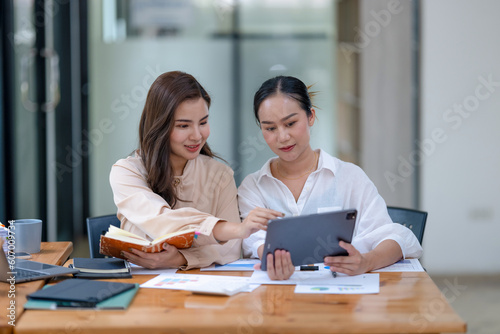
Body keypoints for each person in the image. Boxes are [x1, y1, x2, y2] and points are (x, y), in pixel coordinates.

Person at [238, 75, 423, 280]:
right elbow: (253, 241)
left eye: (290, 123)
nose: (282, 137)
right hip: (277, 298)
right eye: (270, 128)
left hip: (342, 301)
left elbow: (393, 236)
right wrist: (272, 257)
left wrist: (367, 262)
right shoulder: (253, 187)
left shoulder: (349, 177)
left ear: (310, 117)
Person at [109, 71, 281, 270]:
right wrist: (234, 229)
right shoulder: (126, 172)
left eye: (203, 122)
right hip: (141, 287)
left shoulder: (220, 175)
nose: (197, 135)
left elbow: (231, 250)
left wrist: (182, 258)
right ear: (159, 126)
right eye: (183, 125)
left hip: (202, 292)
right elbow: (163, 221)